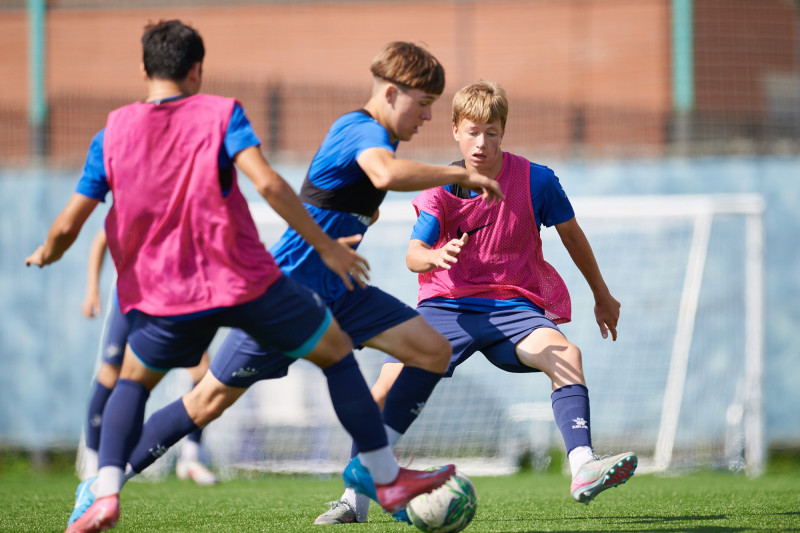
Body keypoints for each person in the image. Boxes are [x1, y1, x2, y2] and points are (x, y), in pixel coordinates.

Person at [26, 21, 455, 533]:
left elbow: (76, 219)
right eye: (424, 102)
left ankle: (372, 466)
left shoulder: (116, 130)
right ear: (197, 70)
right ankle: (95, 487)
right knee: (205, 402)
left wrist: (49, 249)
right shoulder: (353, 129)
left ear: (145, 69)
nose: (429, 114)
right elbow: (350, 175)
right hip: (283, 283)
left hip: (335, 287)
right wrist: (463, 174)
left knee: (432, 350)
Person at [317, 79, 638, 523]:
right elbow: (414, 256)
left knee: (567, 354)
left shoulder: (536, 181)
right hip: (446, 306)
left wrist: (602, 295)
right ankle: (355, 501)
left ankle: (583, 465)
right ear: (454, 131)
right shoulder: (441, 189)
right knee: (384, 389)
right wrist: (434, 255)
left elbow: (572, 236)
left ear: (503, 131)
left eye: (491, 131)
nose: (481, 142)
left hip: (513, 308)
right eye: (472, 131)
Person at [78, 228, 217, 486]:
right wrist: (92, 290)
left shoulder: (182, 204)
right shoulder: (137, 197)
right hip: (131, 298)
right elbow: (100, 239)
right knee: (112, 372)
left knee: (203, 373)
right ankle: (93, 462)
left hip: (172, 298)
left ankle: (190, 457)